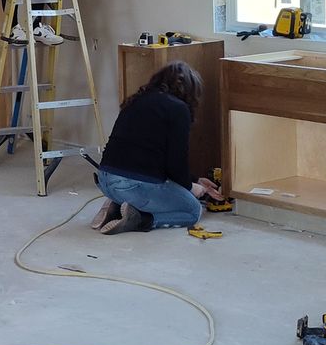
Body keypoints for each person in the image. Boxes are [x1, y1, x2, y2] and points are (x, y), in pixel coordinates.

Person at [90, 62, 226, 234]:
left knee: (163, 189)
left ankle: (117, 205)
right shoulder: (178, 109)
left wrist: (196, 180)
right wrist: (191, 188)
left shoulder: (137, 100)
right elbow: (175, 163)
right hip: (131, 186)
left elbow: (153, 156)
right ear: (189, 91)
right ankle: (140, 219)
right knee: (192, 210)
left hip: (105, 180)